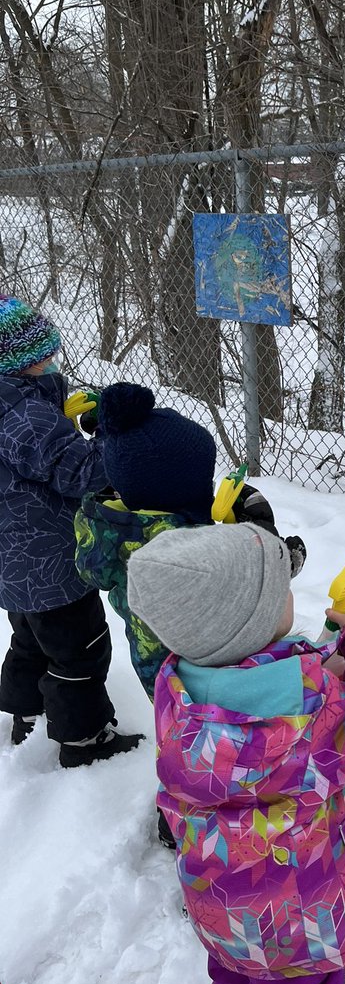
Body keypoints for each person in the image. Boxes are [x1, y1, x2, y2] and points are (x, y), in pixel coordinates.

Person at [127, 523, 345, 984]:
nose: (291, 596)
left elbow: (264, 685)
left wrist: (324, 650)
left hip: (221, 908)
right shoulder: (315, 714)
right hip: (299, 928)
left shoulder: (175, 687)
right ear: (247, 627)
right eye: (280, 593)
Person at [74, 381, 304, 846]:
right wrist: (261, 528)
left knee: (178, 737)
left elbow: (92, 571)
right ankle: (224, 813)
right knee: (219, 742)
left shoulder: (104, 523)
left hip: (151, 663)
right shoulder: (188, 541)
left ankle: (173, 812)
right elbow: (259, 578)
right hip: (208, 659)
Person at [0, 295, 142, 766]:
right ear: (18, 363)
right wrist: (107, 433)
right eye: (43, 353)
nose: (52, 358)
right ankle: (84, 739)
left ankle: (26, 712)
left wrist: (59, 408)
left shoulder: (22, 405)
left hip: (13, 566)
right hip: (51, 563)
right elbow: (83, 473)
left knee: (29, 638)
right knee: (81, 648)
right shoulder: (25, 418)